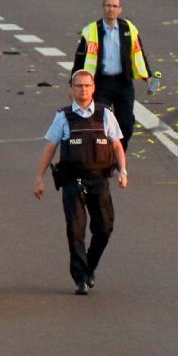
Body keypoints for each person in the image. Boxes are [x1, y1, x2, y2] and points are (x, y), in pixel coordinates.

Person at [34, 69, 129, 295]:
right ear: (71, 89)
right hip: (73, 181)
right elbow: (50, 147)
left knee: (104, 228)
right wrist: (39, 177)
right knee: (76, 230)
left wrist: (123, 171)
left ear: (93, 88)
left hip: (99, 180)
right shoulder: (63, 117)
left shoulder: (105, 114)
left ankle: (90, 266)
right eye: (78, 86)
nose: (83, 90)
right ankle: (80, 279)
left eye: (87, 86)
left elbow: (116, 145)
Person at [71, 0, 155, 149]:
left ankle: (119, 154)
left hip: (123, 83)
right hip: (101, 83)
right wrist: (74, 82)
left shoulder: (128, 29)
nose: (111, 9)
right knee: (100, 121)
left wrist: (148, 76)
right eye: (108, 5)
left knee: (126, 123)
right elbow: (80, 57)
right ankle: (104, 155)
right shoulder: (91, 30)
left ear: (120, 9)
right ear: (103, 8)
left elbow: (139, 53)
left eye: (114, 6)